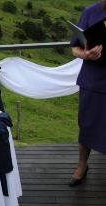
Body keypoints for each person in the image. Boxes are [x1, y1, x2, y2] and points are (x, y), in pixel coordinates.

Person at [69, 0, 106, 186]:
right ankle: (82, 165)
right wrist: (84, 54)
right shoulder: (90, 12)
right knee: (87, 124)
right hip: (93, 79)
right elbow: (74, 46)